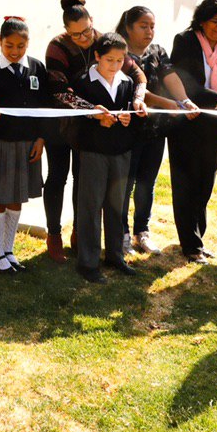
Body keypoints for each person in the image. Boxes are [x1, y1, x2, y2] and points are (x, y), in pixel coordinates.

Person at [43, 0, 147, 263]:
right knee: (57, 177)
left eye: (86, 31)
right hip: (60, 123)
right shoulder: (56, 46)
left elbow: (138, 75)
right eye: (75, 34)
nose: (83, 38)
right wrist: (91, 109)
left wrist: (137, 98)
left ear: (93, 22)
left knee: (83, 179)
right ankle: (54, 235)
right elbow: (59, 91)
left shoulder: (105, 41)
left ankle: (81, 232)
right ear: (66, 30)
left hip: (90, 130)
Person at [168, 0, 217, 263]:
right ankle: (190, 244)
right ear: (202, 20)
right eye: (215, 21)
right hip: (188, 122)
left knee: (205, 181)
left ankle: (197, 239)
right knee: (185, 182)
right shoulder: (186, 41)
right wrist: (216, 99)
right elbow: (184, 81)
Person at [115, 5, 198, 257]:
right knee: (125, 184)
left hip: (154, 129)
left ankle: (143, 231)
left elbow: (169, 76)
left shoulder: (157, 51)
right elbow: (136, 90)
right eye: (143, 26)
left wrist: (184, 100)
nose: (149, 31)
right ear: (129, 27)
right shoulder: (119, 52)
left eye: (152, 26)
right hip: (127, 129)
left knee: (146, 183)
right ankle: (122, 234)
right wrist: (167, 103)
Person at [0, 17, 54, 274]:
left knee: (17, 197)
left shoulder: (37, 68)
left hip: (29, 144)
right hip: (2, 142)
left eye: (20, 46)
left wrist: (41, 139)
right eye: (9, 45)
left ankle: (9, 250)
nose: (14, 51)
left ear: (28, 43)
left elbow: (45, 105)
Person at [68, 33, 137, 283]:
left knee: (117, 206)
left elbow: (129, 108)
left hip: (121, 152)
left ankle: (115, 256)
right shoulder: (83, 81)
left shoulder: (127, 82)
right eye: (110, 60)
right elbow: (73, 113)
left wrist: (127, 118)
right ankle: (88, 262)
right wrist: (94, 116)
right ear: (97, 56)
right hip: (93, 152)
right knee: (91, 206)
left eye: (120, 60)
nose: (115, 65)